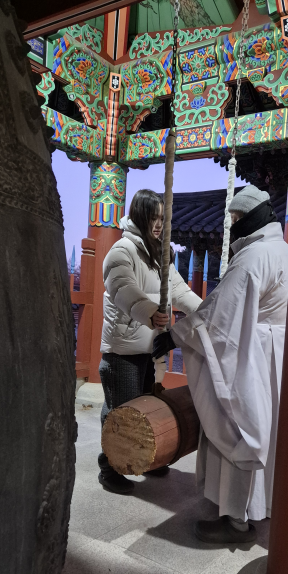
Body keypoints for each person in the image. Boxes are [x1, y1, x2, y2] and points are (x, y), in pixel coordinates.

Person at [153, 184, 288, 543]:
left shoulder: (252, 257)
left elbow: (219, 316)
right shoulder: (285, 251)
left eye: (237, 217)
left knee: (236, 426)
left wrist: (176, 336)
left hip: (250, 358)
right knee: (268, 432)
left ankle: (236, 521)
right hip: (277, 359)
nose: (232, 223)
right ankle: (262, 505)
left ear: (251, 217)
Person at [99, 188, 202, 494]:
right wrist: (148, 312)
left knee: (146, 406)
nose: (159, 224)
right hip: (123, 348)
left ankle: (147, 458)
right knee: (121, 408)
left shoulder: (158, 253)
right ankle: (109, 467)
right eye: (154, 217)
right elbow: (123, 289)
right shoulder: (121, 251)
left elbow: (179, 290)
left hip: (149, 346)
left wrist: (207, 310)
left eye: (162, 218)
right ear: (140, 216)